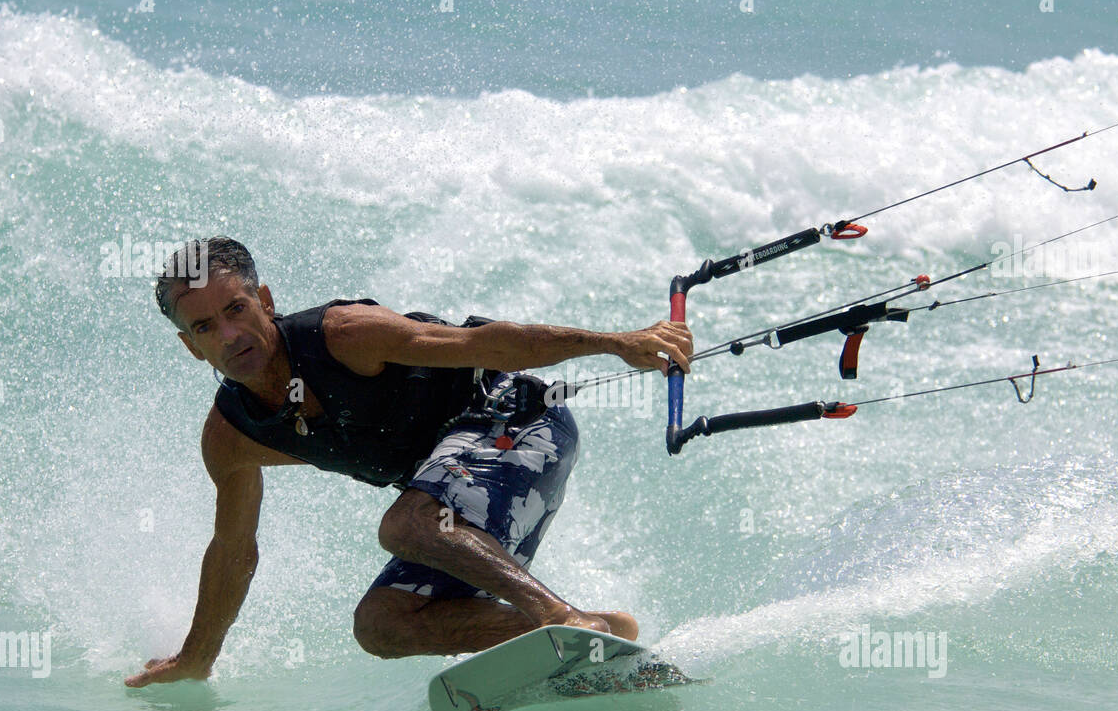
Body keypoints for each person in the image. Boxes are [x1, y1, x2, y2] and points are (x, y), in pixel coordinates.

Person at [125, 237, 692, 687]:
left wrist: (616, 342)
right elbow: (233, 551)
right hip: (457, 483)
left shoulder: (343, 336)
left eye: (237, 309)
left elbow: (486, 345)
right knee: (381, 625)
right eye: (204, 327)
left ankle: (560, 619)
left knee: (407, 524)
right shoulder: (232, 436)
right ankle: (595, 632)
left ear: (265, 302)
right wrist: (196, 659)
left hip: (520, 421)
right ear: (191, 346)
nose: (229, 334)